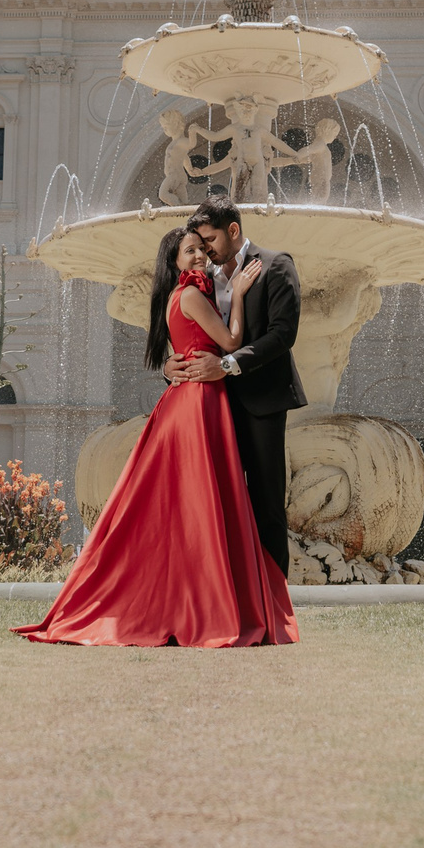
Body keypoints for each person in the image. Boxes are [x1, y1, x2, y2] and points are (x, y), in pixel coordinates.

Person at [15, 223, 297, 646]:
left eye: (202, 248)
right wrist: (237, 293)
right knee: (202, 505)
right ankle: (205, 603)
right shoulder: (191, 294)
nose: (200, 256)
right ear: (174, 261)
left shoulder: (175, 297)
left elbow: (187, 345)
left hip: (192, 403)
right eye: (190, 251)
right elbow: (232, 339)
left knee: (184, 508)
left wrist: (172, 363)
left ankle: (192, 597)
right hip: (200, 403)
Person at [163, 194, 306, 571]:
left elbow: (282, 335)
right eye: (198, 243)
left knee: (267, 505)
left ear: (233, 230)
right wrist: (169, 366)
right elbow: (187, 329)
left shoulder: (276, 265)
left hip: (262, 402)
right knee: (217, 505)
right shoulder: (202, 278)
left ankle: (274, 608)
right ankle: (229, 601)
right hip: (211, 407)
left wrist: (227, 365)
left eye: (209, 240)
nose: (204, 250)